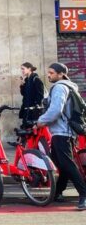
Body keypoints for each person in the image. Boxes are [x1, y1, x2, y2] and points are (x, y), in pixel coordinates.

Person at [35, 62, 86, 209]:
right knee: (60, 164)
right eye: (49, 72)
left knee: (67, 164)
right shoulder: (70, 86)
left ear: (61, 74)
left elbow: (56, 110)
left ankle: (83, 194)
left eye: (51, 73)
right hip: (66, 131)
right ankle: (57, 192)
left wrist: (40, 121)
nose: (49, 75)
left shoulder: (59, 88)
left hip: (61, 132)